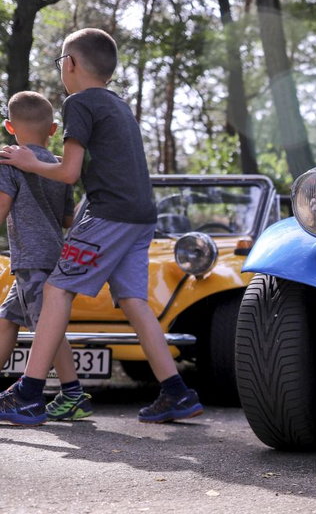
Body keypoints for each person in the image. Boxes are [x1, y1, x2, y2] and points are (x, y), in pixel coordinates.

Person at [0, 28, 202, 425]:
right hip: (141, 216)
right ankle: (177, 391)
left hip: (109, 214)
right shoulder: (119, 105)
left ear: (70, 64)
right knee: (133, 301)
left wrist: (29, 163)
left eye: (61, 62)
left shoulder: (79, 103)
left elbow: (69, 171)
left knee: (57, 289)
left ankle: (28, 393)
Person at [0, 91, 91, 423]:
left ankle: (72, 394)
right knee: (7, 319)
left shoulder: (10, 160)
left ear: (10, 126)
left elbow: (2, 207)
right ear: (53, 130)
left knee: (47, 328)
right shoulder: (58, 166)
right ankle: (70, 394)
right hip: (52, 255)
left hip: (30, 258)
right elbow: (68, 219)